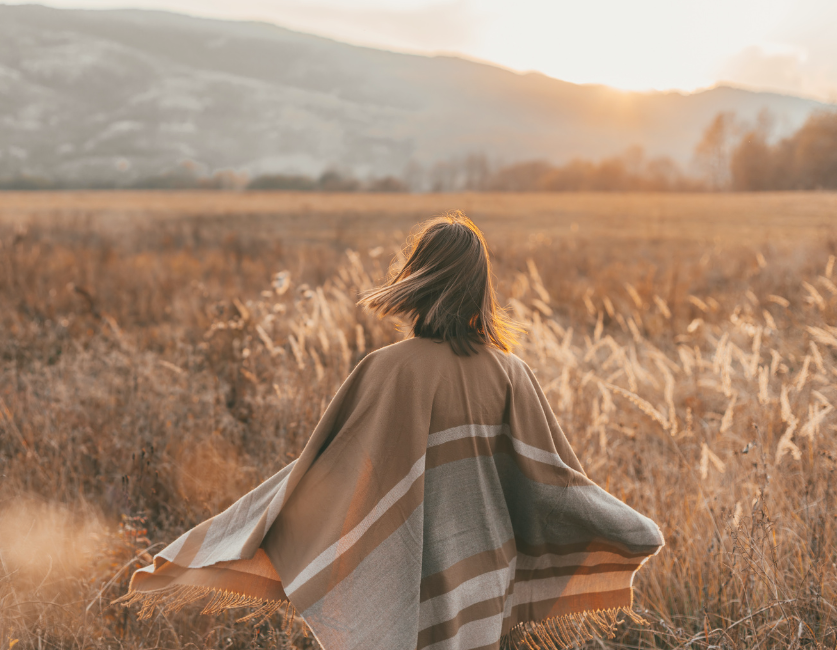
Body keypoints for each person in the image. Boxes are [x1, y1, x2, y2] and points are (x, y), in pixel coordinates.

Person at [121, 212, 664, 650]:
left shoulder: (387, 369)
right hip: (488, 575)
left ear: (418, 278)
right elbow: (555, 483)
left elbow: (321, 473)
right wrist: (630, 526)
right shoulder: (509, 373)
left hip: (409, 571)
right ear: (479, 287)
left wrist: (224, 536)